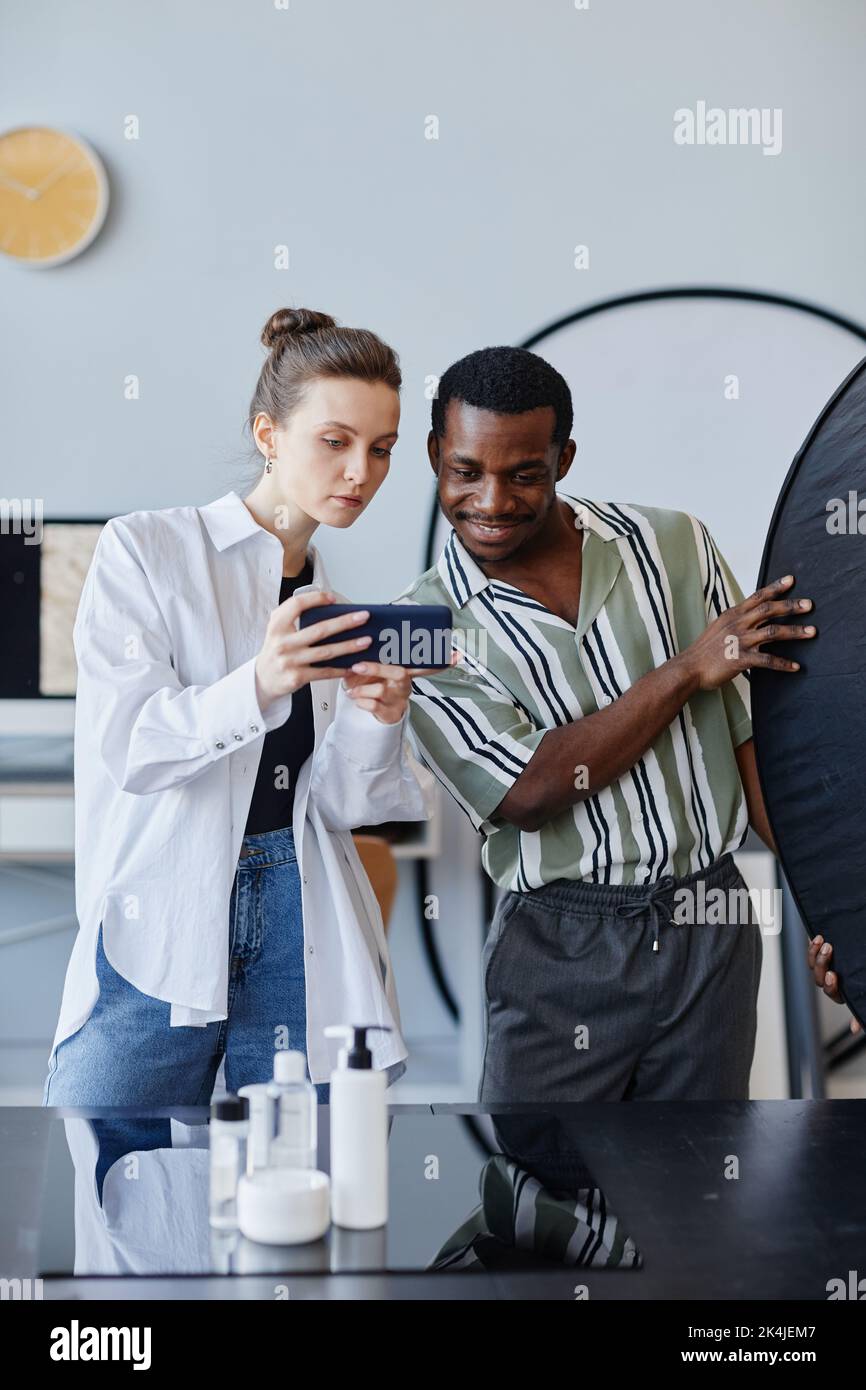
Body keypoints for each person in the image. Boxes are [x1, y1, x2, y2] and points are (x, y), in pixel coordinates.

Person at [397, 344, 859, 1103]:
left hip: (710, 919)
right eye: (466, 471)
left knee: (700, 1179)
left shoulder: (675, 544)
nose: (492, 500)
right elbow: (528, 791)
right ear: (435, 455)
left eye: (525, 473)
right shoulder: (421, 627)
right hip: (560, 944)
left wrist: (836, 915)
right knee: (547, 1182)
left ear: (564, 458)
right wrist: (684, 670)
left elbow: (755, 745)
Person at [43, 306, 436, 1107]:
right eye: (335, 441)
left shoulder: (335, 612)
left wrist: (378, 718)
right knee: (108, 1169)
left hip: (303, 911)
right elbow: (135, 749)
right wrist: (261, 680)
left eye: (382, 449)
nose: (360, 470)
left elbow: (342, 806)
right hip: (164, 909)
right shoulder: (145, 551)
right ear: (267, 434)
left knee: (302, 1184)